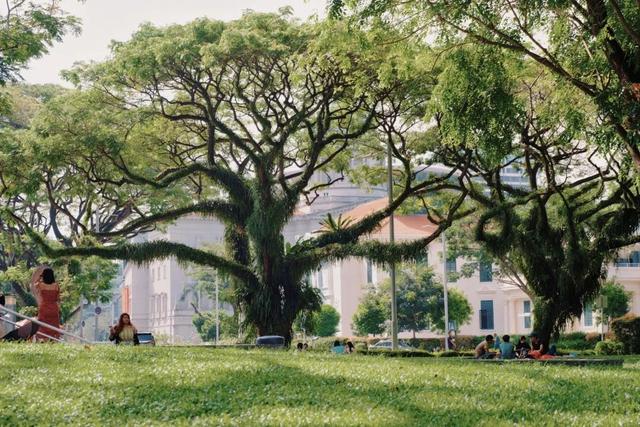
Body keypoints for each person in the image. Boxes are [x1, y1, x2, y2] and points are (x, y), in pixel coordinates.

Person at [32, 266, 61, 341]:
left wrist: (40, 276)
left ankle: (43, 341)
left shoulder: (41, 285)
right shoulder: (56, 285)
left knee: (42, 326)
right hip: (54, 309)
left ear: (44, 276)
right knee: (54, 326)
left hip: (44, 308)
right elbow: (58, 298)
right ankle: (54, 342)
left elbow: (34, 284)